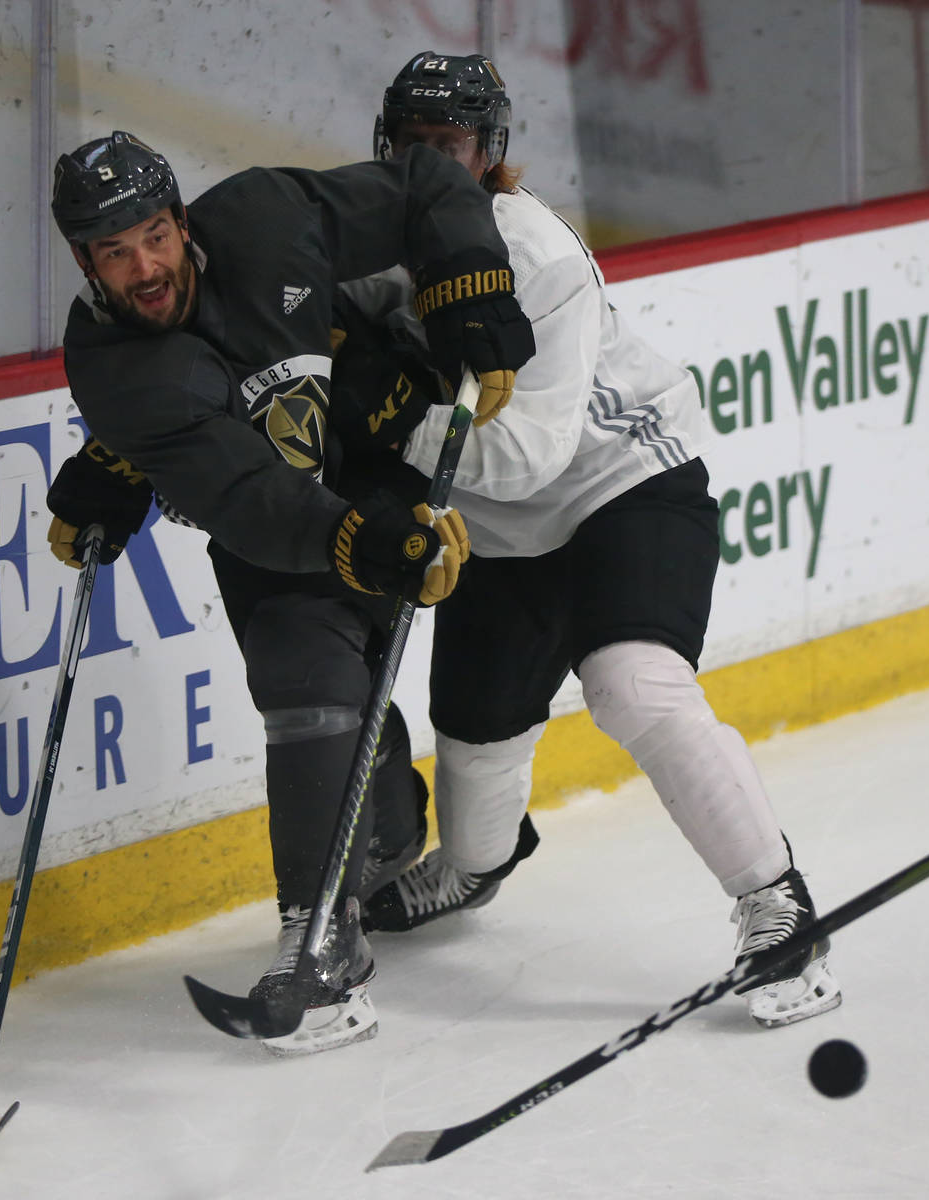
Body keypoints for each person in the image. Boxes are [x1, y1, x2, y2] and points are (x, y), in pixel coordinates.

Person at [330, 52, 841, 1028]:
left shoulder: (537, 257)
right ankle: (475, 869)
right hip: (498, 538)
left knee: (633, 686)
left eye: (454, 146)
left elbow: (524, 455)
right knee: (475, 778)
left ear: (489, 155)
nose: (434, 164)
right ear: (386, 149)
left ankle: (777, 904)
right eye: (415, 146)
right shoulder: (365, 241)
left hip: (625, 484)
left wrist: (394, 416)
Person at [43, 130, 535, 1052]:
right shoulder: (109, 363)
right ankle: (323, 944)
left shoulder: (267, 215)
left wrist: (469, 283)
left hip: (381, 444)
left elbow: (426, 185)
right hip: (278, 524)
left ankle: (375, 856)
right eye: (115, 252)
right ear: (86, 262)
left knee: (344, 676)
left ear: (181, 221)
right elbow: (247, 495)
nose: (144, 266)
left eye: (152, 235)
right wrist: (134, 448)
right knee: (303, 679)